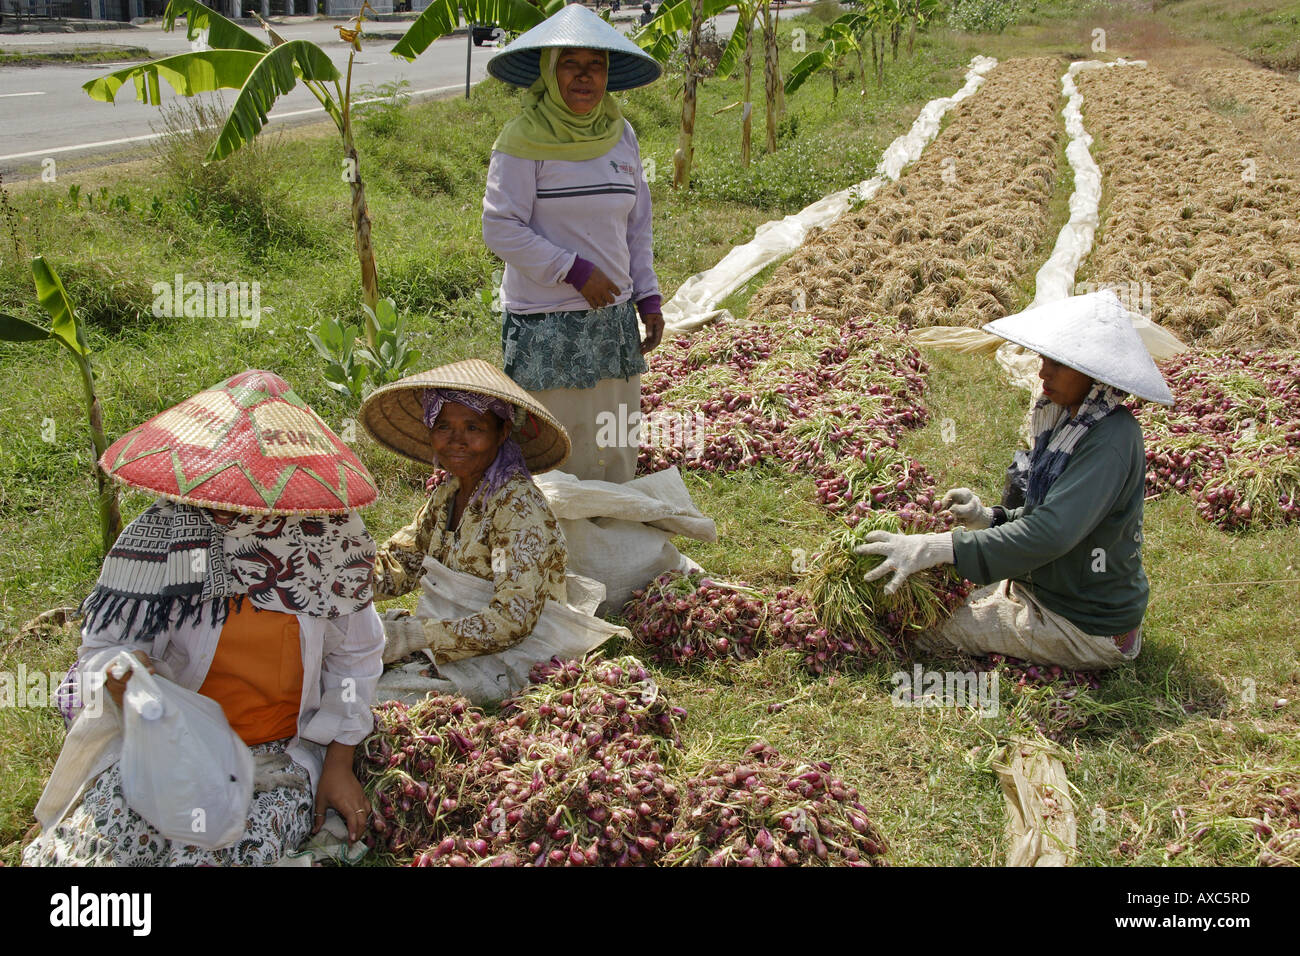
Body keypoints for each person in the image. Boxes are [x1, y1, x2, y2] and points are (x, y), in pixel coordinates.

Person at [24, 371, 385, 866]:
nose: (231, 510)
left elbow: (355, 661)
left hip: (273, 758)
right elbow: (101, 649)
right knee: (83, 859)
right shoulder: (169, 537)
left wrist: (339, 764)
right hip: (171, 748)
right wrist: (120, 672)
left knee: (208, 857)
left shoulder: (328, 550)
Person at [856, 291, 1175, 671]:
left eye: (1060, 364)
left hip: (1083, 624)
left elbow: (1050, 533)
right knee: (944, 598)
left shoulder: (1109, 439)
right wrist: (987, 518)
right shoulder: (1074, 421)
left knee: (925, 630)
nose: (1043, 373)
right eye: (1045, 359)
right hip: (1056, 590)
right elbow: (1049, 514)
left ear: (1095, 373)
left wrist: (937, 545)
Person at [482, 4, 666, 483]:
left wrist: (647, 295)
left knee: (613, 444)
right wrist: (575, 270)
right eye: (571, 64)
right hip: (546, 322)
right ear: (549, 71)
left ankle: (612, 544)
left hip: (612, 319)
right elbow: (501, 227)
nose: (585, 77)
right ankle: (550, 547)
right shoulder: (522, 140)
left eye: (596, 65)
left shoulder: (620, 134)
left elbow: (637, 224)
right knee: (554, 450)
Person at [359, 359, 573, 668]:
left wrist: (412, 636)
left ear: (502, 433)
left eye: (473, 428)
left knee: (366, 696)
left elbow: (513, 621)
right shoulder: (450, 490)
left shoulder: (518, 508)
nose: (456, 441)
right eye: (443, 427)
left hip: (513, 652)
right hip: (446, 629)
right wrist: (342, 582)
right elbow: (406, 561)